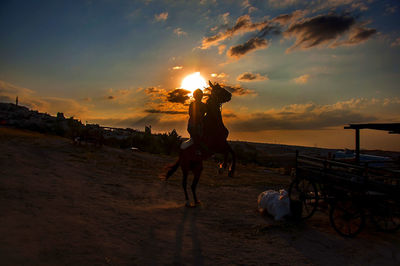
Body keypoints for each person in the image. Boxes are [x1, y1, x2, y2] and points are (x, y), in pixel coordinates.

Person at [187, 89, 207, 155]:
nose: (199, 97)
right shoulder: (192, 104)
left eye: (200, 95)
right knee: (196, 136)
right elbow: (190, 113)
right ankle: (196, 150)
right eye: (198, 95)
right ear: (195, 96)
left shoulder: (204, 105)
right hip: (193, 125)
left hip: (201, 125)